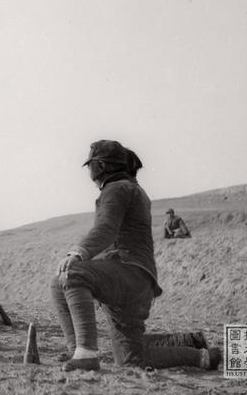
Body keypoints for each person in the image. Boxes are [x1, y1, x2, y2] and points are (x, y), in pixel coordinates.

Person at [50, 140, 221, 371]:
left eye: (91, 165)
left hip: (127, 275)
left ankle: (83, 353)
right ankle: (200, 355)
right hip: (136, 283)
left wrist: (78, 252)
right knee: (131, 359)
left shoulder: (117, 189)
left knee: (69, 274)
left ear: (100, 166)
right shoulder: (129, 189)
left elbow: (106, 230)